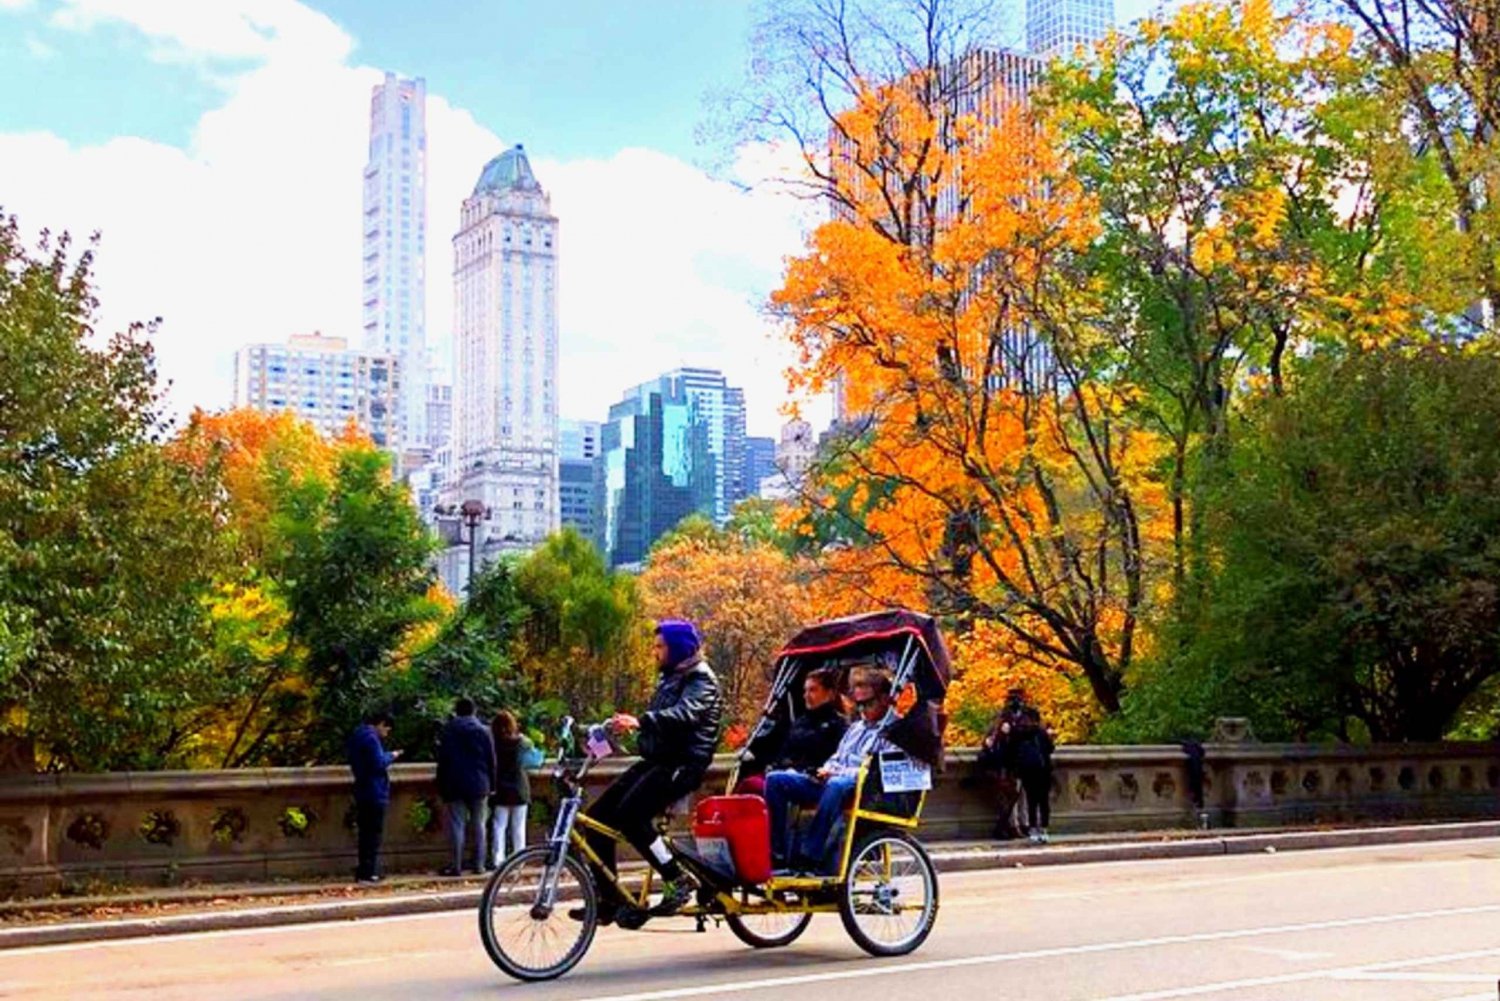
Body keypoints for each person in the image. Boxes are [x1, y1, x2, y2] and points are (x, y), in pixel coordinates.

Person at [574, 619, 722, 923]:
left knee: (631, 817)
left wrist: (640, 721)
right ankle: (609, 899)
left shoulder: (701, 678)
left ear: (678, 647)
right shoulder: (670, 678)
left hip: (683, 763)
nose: (655, 652)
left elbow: (686, 713)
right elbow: (660, 722)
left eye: (660, 647)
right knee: (597, 818)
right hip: (657, 761)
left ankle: (676, 878)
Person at [764, 665, 899, 873]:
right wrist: (825, 770)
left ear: (884, 700)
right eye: (859, 704)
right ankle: (777, 853)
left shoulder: (894, 731)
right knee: (776, 780)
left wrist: (836, 773)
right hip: (833, 781)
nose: (863, 709)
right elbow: (838, 757)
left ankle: (811, 855)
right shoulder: (856, 728)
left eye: (868, 703)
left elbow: (876, 770)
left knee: (837, 784)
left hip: (865, 789)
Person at [737, 667, 848, 797]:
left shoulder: (837, 725)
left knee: (768, 783)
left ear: (829, 694)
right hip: (785, 772)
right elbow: (784, 751)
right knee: (749, 783)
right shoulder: (800, 722)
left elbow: (831, 759)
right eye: (805, 691)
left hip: (811, 778)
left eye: (813, 690)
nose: (806, 696)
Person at [436, 696, 497, 876]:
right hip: (479, 782)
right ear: (474, 710)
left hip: (454, 782)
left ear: (456, 711)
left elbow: (442, 760)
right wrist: (492, 784)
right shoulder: (484, 731)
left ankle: (456, 866)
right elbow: (491, 760)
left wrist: (441, 784)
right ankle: (479, 865)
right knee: (479, 824)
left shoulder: (448, 730)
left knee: (457, 824)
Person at [347, 709, 400, 884]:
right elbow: (378, 763)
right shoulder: (371, 738)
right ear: (381, 724)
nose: (387, 733)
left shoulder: (358, 734)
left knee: (365, 832)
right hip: (374, 791)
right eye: (387, 729)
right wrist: (391, 755)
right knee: (373, 833)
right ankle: (369, 871)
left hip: (362, 788)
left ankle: (365, 869)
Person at [979, 688, 1031, 840]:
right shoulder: (1001, 719)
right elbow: (991, 741)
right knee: (1012, 796)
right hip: (1008, 765)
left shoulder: (1026, 718)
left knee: (1022, 796)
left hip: (1020, 763)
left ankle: (1024, 824)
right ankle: (1014, 825)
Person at [488, 710, 535, 867]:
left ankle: (498, 859)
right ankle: (519, 859)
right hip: (519, 788)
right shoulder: (520, 742)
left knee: (499, 826)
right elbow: (533, 755)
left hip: (500, 788)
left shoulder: (493, 743)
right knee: (519, 827)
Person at [1012, 705, 1056, 844]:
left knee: (1032, 802)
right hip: (1043, 771)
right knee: (1043, 802)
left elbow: (1014, 753)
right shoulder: (1041, 733)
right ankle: (1044, 829)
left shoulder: (1020, 734)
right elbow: (1050, 749)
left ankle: (1033, 829)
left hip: (1028, 773)